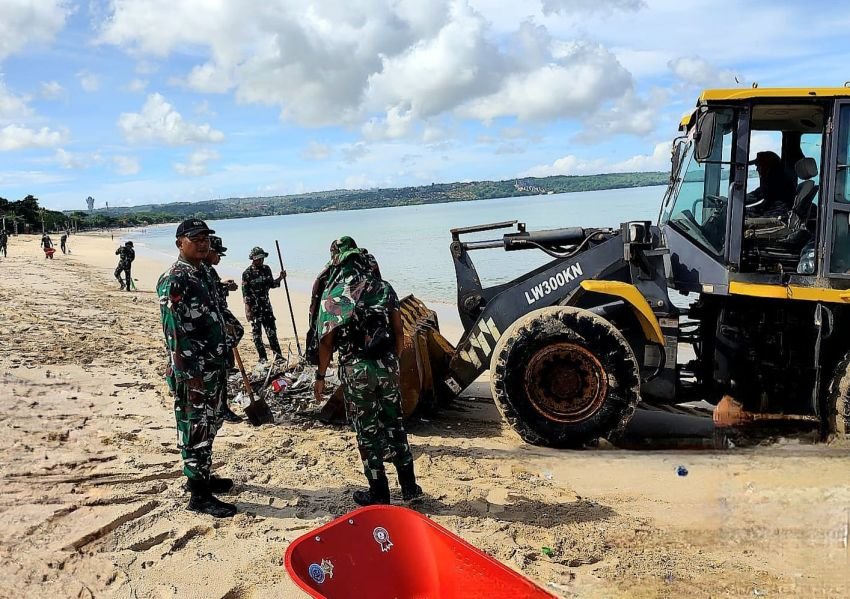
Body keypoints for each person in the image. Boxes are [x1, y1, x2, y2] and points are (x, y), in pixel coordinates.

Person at [313, 236, 422, 506]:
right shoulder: (383, 287)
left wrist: (320, 376)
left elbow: (326, 342)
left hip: (356, 370)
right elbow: (399, 333)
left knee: (367, 432)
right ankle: (409, 487)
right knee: (395, 425)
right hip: (387, 366)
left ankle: (379, 493)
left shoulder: (335, 295)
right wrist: (392, 362)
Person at [156, 218, 236, 518]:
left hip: (213, 366)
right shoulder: (175, 278)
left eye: (206, 238)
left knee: (210, 423)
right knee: (195, 428)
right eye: (196, 239)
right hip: (194, 372)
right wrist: (189, 375)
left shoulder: (203, 272)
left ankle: (201, 477)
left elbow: (217, 312)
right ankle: (199, 496)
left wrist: (230, 334)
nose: (203, 243)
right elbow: (173, 333)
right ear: (180, 243)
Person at [203, 235, 244, 423]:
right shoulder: (202, 270)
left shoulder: (208, 270)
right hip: (213, 323)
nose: (219, 258)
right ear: (209, 251)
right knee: (218, 369)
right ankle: (220, 409)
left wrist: (224, 286)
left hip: (218, 318)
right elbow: (208, 297)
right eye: (218, 254)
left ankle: (220, 406)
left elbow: (214, 290)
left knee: (236, 333)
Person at [241, 246, 285, 363]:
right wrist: (248, 310)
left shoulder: (266, 269)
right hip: (254, 308)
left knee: (272, 333)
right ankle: (262, 358)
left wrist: (280, 278)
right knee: (257, 335)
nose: (261, 260)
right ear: (253, 259)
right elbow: (245, 294)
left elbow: (272, 284)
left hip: (266, 307)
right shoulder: (247, 273)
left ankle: (278, 357)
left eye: (262, 258)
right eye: (258, 258)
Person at [746, 151, 797, 217]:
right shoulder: (776, 179)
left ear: (766, 166)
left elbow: (761, 198)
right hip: (774, 211)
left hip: (778, 214)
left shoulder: (777, 182)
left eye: (758, 165)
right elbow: (757, 195)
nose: (756, 169)